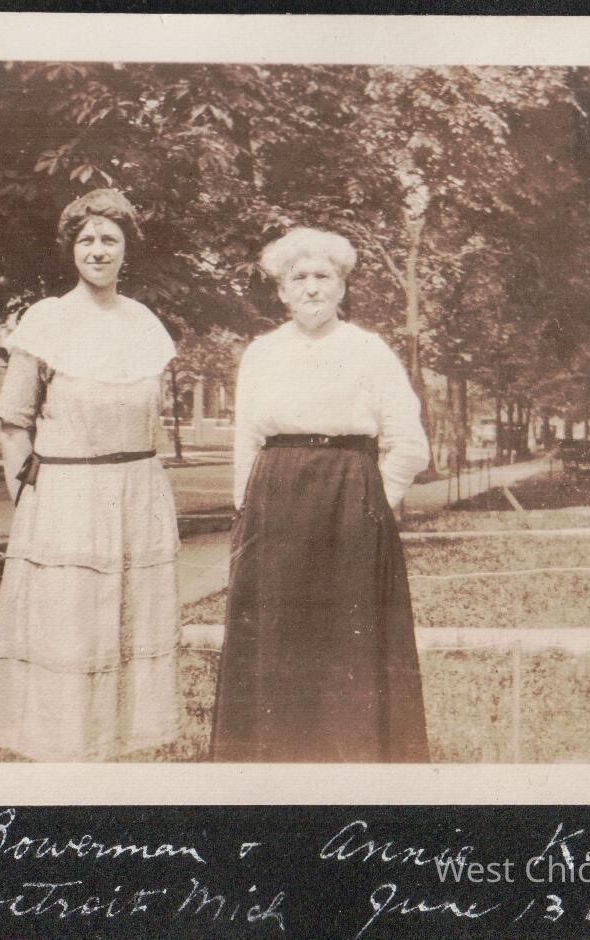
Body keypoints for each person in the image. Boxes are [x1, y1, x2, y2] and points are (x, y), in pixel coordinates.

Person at [210, 227, 431, 763]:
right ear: (281, 291)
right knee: (277, 635)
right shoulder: (261, 353)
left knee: (347, 639)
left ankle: (353, 758)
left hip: (349, 501)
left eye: (323, 276)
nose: (311, 288)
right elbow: (246, 442)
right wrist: (246, 511)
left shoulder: (368, 351)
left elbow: (409, 443)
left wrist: (373, 503)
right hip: (275, 503)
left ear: (342, 287)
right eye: (299, 277)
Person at [0, 189, 180, 761]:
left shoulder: (144, 323)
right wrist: (31, 503)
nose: (98, 250)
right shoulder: (46, 320)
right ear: (70, 249)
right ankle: (62, 753)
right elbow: (13, 424)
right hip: (68, 499)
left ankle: (122, 747)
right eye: (86, 240)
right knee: (69, 628)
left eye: (109, 240)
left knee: (131, 624)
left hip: (139, 494)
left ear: (127, 249)